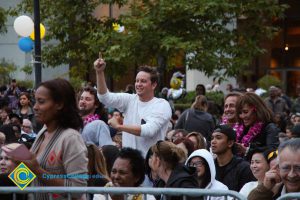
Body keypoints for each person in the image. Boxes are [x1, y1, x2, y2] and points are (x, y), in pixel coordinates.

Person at [21, 78, 88, 200]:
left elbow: (78, 189)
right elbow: (26, 179)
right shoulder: (43, 132)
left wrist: (38, 170)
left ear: (59, 104)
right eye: (35, 101)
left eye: (41, 102)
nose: (35, 107)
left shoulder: (71, 138)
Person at [94, 57, 172, 157]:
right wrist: (99, 72)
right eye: (137, 81)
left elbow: (149, 130)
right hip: (127, 162)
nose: (138, 84)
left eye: (143, 81)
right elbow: (104, 98)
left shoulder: (162, 105)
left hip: (150, 165)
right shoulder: (129, 99)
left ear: (153, 85)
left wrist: (119, 126)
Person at [211, 125, 256, 191]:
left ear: (230, 143)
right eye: (212, 138)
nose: (213, 141)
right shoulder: (210, 166)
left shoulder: (244, 168)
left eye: (218, 138)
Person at [235, 92, 280, 157]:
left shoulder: (269, 128)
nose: (242, 116)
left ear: (257, 110)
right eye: (240, 113)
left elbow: (272, 152)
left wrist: (247, 150)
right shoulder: (242, 129)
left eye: (245, 112)